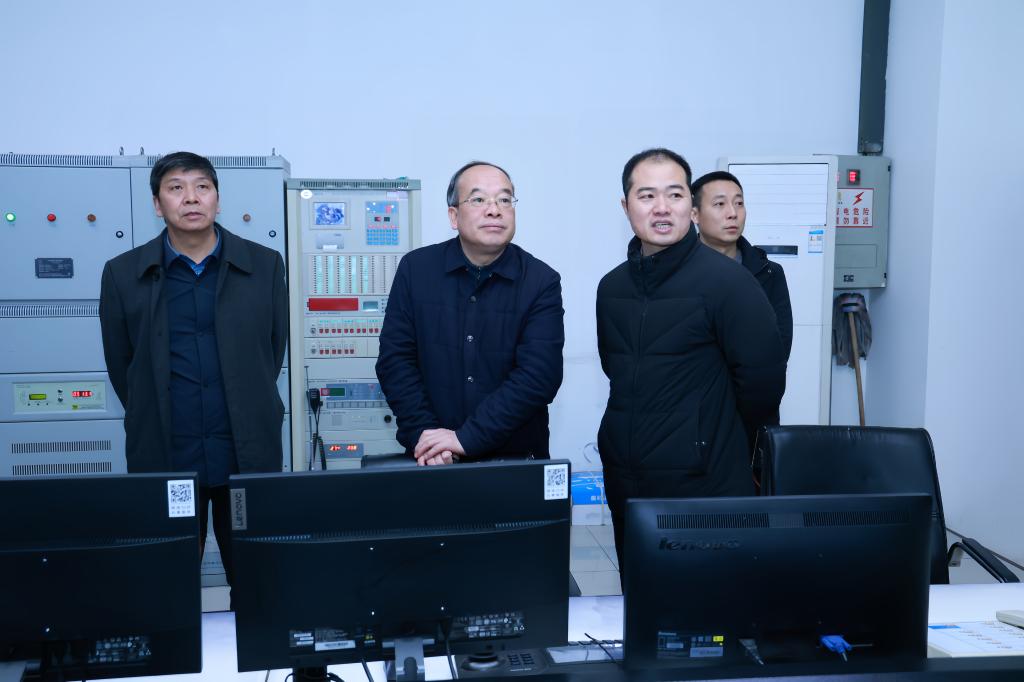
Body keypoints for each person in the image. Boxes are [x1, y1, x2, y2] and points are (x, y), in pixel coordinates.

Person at [99, 151, 288, 595]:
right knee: (167, 583)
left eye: (202, 186)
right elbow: (123, 367)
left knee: (257, 578)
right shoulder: (123, 274)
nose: (191, 198)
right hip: (167, 453)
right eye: (176, 188)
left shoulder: (263, 266)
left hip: (245, 453)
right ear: (157, 203)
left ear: (217, 200)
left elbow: (270, 352)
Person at [596, 148, 786, 568]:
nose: (662, 207)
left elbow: (762, 386)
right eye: (647, 196)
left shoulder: (730, 283)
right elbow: (617, 372)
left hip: (706, 485)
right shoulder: (612, 288)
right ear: (626, 207)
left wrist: (711, 445)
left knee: (709, 603)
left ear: (691, 207)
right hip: (628, 483)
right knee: (639, 599)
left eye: (675, 194)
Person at [376, 161, 564, 465]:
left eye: (505, 199)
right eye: (478, 199)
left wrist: (466, 438)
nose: (494, 210)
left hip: (514, 462)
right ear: (454, 216)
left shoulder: (541, 281)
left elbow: (538, 377)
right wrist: (429, 437)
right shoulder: (416, 270)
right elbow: (395, 361)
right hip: (431, 459)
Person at [692, 170, 793, 360]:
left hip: (755, 377)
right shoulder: (678, 270)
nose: (732, 213)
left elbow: (780, 345)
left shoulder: (769, 272)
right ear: (694, 214)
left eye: (739, 203)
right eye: (720, 204)